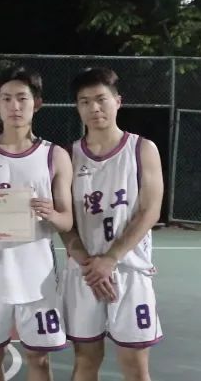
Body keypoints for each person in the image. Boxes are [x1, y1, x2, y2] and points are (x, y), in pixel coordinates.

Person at [0, 65, 73, 381]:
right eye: (6, 98)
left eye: (22, 98)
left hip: (37, 276)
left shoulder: (54, 155)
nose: (14, 106)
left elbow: (66, 221)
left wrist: (51, 213)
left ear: (37, 103)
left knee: (39, 358)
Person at [63, 67, 163, 381]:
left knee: (135, 365)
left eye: (101, 99)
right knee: (85, 360)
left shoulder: (142, 149)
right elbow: (65, 221)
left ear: (118, 101)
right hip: (84, 273)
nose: (94, 108)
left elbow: (150, 211)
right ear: (77, 108)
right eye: (84, 102)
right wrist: (89, 263)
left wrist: (111, 259)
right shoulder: (67, 156)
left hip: (129, 271)